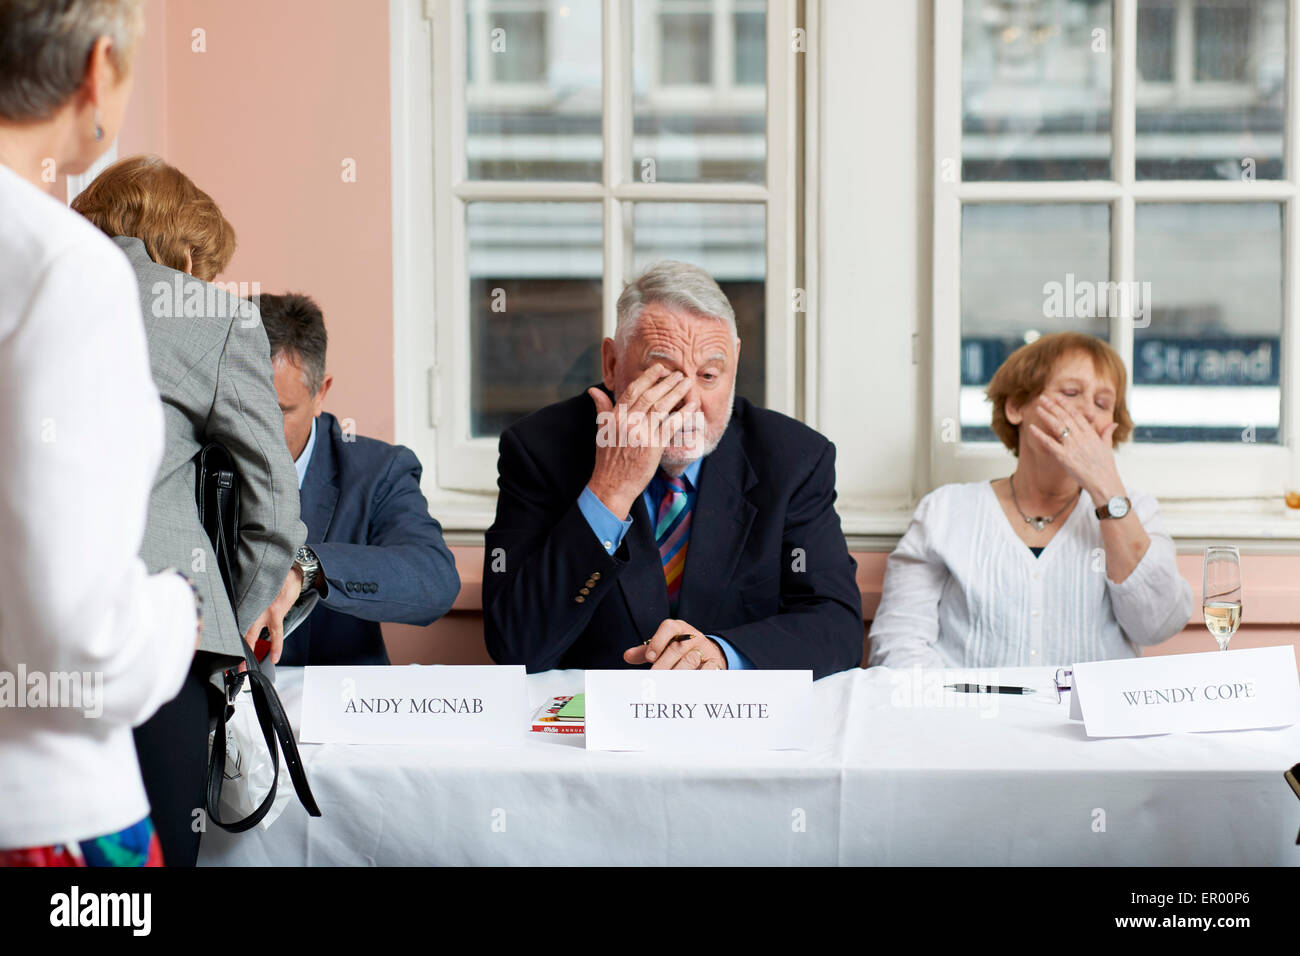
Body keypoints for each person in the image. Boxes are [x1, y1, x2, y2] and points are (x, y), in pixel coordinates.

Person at [0, 0, 201, 867]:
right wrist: (175, 615)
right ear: (98, 67)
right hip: (45, 812)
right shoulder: (65, 269)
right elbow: (83, 645)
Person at [71, 155, 308, 865]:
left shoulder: (24, 287)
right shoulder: (214, 315)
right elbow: (272, 505)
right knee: (154, 862)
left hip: (22, 636)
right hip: (160, 640)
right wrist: (233, 626)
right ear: (183, 250)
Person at [483, 260, 863, 679]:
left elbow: (836, 626)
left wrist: (721, 654)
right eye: (663, 376)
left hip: (732, 719)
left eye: (709, 375)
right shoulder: (539, 450)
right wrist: (609, 492)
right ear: (611, 363)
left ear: (734, 361)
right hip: (596, 723)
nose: (690, 403)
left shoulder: (794, 459)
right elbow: (515, 645)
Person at [868, 332, 1194, 669]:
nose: (1086, 412)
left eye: (1102, 403)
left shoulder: (1135, 511)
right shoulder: (945, 511)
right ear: (1016, 407)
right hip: (968, 719)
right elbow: (898, 644)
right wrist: (957, 713)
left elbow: (1157, 625)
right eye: (1070, 393)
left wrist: (1106, 490)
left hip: (1088, 721)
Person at [257, 292, 460, 665]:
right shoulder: (192, 457)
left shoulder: (378, 470)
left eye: (281, 411)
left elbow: (435, 581)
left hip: (337, 706)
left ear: (321, 393)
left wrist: (310, 567)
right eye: (246, 409)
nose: (258, 429)